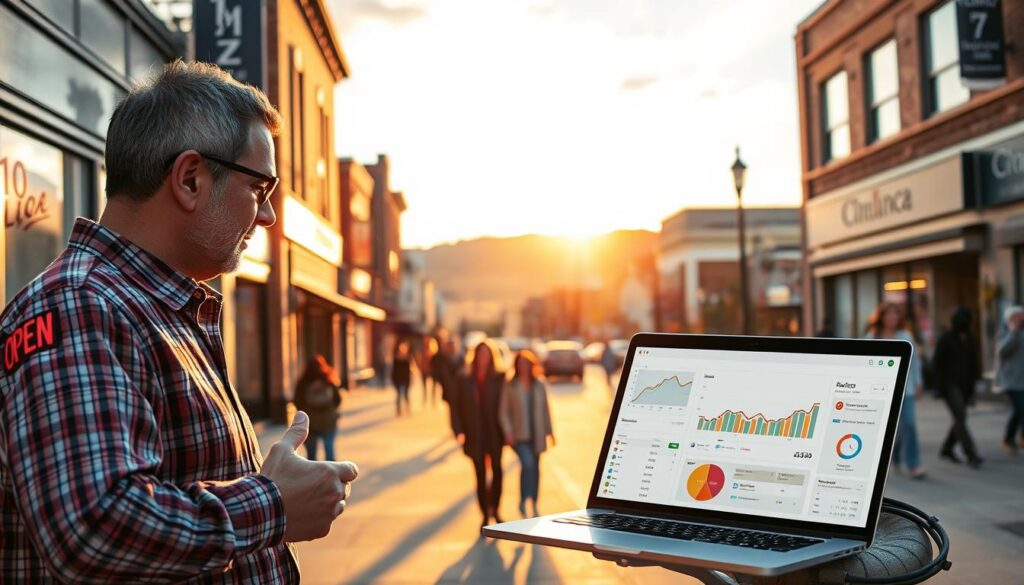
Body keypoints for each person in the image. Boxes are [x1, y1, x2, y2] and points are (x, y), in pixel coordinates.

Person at [0, 61, 357, 582]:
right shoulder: (80, 307)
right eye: (259, 189)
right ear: (190, 179)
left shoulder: (151, 307)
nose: (268, 216)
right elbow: (95, 529)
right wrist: (273, 503)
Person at [864, 302, 926, 479]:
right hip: (881, 391)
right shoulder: (873, 337)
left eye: (895, 314)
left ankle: (913, 464)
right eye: (888, 314)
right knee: (891, 429)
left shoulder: (905, 335)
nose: (892, 317)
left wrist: (918, 382)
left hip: (906, 390)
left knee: (909, 424)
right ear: (881, 317)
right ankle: (895, 456)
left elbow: (915, 362)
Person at [451, 340, 507, 528]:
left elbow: (509, 404)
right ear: (475, 356)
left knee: (498, 471)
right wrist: (458, 430)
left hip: (495, 432)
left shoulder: (500, 377)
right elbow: (455, 406)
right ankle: (484, 515)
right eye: (480, 353)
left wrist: (509, 429)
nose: (483, 357)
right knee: (480, 475)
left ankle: (496, 510)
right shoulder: (464, 378)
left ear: (492, 357)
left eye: (487, 354)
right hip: (474, 433)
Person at [499, 350, 555, 518]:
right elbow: (503, 411)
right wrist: (508, 432)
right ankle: (523, 500)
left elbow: (546, 409)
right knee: (528, 465)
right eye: (520, 363)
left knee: (536, 469)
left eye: (527, 363)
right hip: (519, 436)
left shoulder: (539, 384)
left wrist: (550, 432)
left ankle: (535, 502)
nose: (523, 367)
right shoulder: (511, 385)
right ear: (516, 365)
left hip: (537, 434)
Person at [932, 306, 984, 468]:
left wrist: (975, 385)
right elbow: (937, 364)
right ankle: (971, 453)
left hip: (966, 385)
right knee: (960, 416)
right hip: (949, 385)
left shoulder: (971, 339)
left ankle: (947, 448)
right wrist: (938, 387)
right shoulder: (946, 339)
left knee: (959, 418)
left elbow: (974, 364)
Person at [293, 355, 344, 461]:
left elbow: (297, 401)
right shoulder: (329, 379)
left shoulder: (303, 383)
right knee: (329, 451)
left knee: (311, 456)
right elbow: (338, 399)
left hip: (310, 422)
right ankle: (331, 475)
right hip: (329, 420)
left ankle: (313, 476)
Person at [996, 305, 1024, 455]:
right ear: (1011, 319)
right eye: (1019, 317)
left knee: (1019, 409)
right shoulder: (1005, 333)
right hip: (1010, 380)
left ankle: (1014, 438)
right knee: (1020, 408)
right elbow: (1002, 351)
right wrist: (1013, 331)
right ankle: (1009, 439)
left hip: (1022, 379)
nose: (1022, 319)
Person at [392, 340, 413, 416]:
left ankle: (408, 409)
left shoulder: (407, 359)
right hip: (398, 379)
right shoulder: (396, 359)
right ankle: (399, 410)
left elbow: (409, 370)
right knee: (398, 395)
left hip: (405, 379)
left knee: (406, 395)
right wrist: (393, 379)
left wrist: (410, 380)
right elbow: (393, 371)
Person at [420, 336, 439, 407]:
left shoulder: (433, 352)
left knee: (433, 387)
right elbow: (421, 362)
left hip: (431, 371)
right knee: (425, 387)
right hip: (425, 371)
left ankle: (433, 400)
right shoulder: (423, 352)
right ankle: (425, 399)